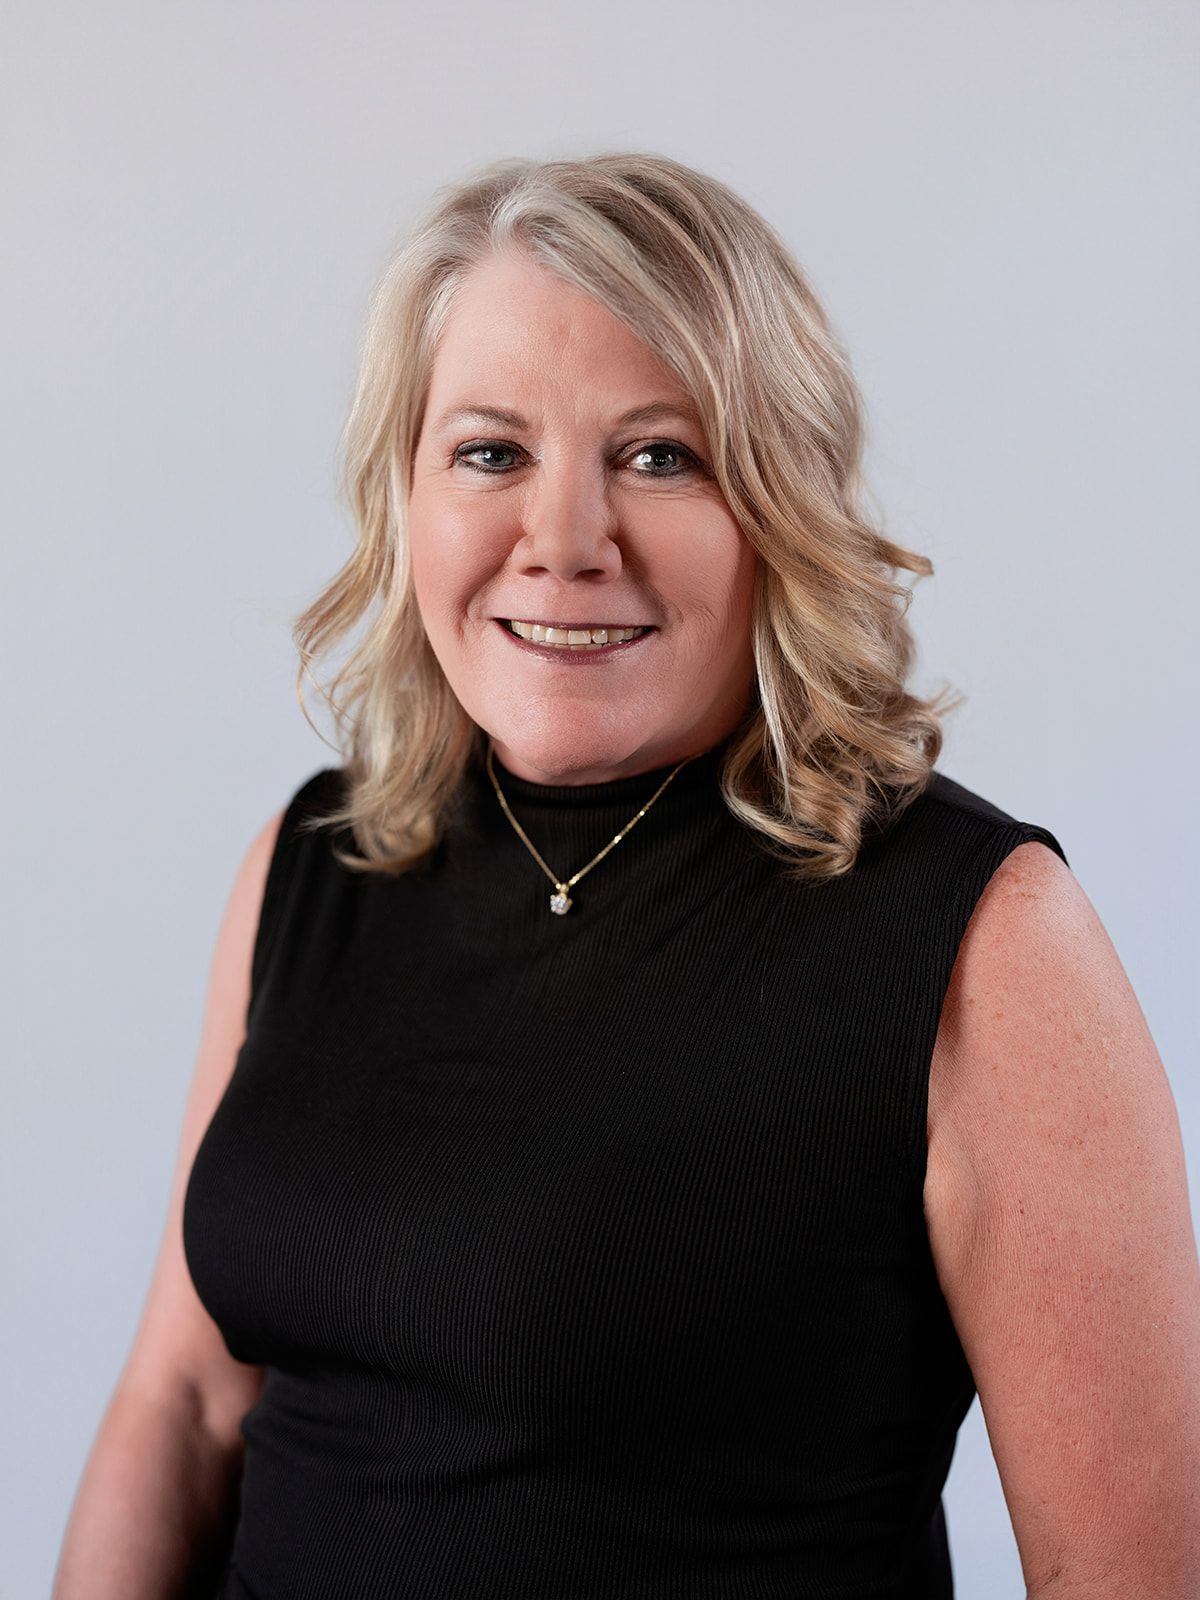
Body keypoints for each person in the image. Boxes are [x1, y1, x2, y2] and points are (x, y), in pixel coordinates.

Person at [54, 152, 1200, 1600]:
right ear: (404, 494)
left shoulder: (980, 939)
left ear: (779, 504)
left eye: (660, 455)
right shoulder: (317, 863)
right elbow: (185, 1402)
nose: (565, 540)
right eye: (490, 452)